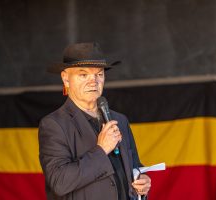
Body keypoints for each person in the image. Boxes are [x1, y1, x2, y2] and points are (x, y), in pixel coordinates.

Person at [38, 42, 151, 200]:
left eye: (99, 74)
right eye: (83, 75)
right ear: (66, 79)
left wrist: (142, 183)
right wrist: (101, 149)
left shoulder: (120, 120)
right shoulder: (54, 125)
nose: (94, 81)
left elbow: (134, 168)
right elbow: (60, 182)